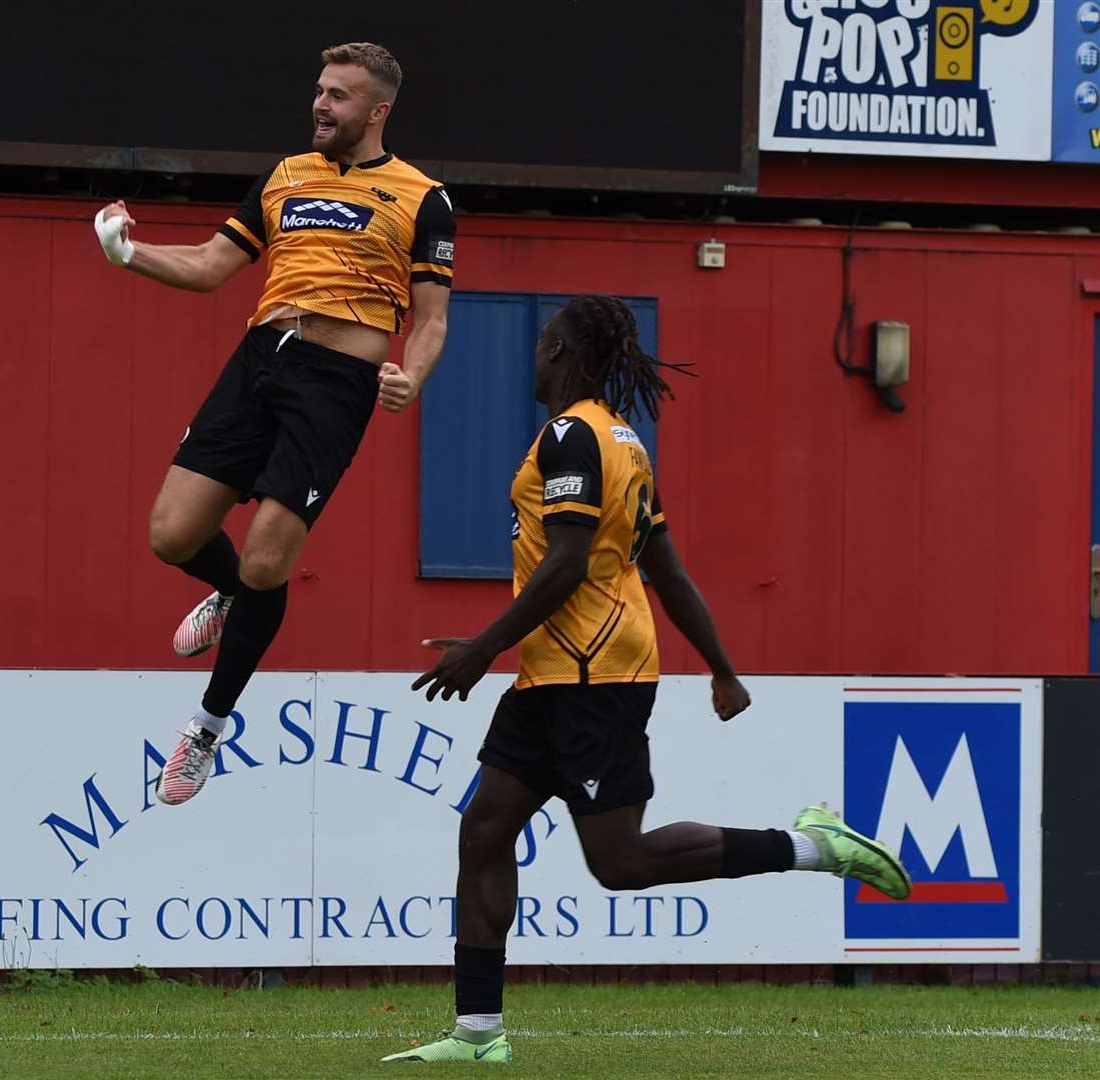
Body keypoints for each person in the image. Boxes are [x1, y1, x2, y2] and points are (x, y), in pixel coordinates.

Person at [382, 295, 910, 1065]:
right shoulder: (623, 442)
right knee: (486, 826)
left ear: (560, 348)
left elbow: (566, 563)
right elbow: (661, 567)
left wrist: (480, 649)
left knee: (620, 865)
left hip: (595, 674)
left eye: (541, 345)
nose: (532, 357)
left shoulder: (572, 436)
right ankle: (477, 1032)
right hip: (552, 674)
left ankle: (811, 846)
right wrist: (721, 667)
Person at [92, 43, 455, 806]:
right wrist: (128, 252)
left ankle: (206, 726)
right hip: (259, 358)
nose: (321, 106)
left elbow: (430, 319)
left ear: (378, 110)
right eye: (319, 92)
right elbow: (207, 266)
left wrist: (410, 378)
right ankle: (227, 597)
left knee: (265, 563)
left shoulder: (424, 197)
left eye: (340, 97)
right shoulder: (285, 176)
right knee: (171, 536)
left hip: (337, 381)